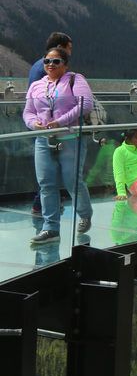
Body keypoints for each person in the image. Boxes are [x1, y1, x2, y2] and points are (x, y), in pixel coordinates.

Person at [22, 47, 94, 244]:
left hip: (71, 140)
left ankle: (85, 214)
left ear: (65, 65)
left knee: (72, 181)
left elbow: (85, 104)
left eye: (56, 61)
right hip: (44, 140)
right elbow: (27, 112)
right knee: (46, 184)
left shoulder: (75, 79)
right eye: (47, 61)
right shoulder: (36, 85)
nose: (50, 65)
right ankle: (51, 228)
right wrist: (33, 124)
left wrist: (61, 122)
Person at [27, 32, 73, 215]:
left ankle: (47, 204)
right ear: (60, 48)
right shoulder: (48, 69)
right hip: (47, 126)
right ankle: (42, 205)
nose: (70, 52)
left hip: (41, 124)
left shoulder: (38, 65)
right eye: (69, 48)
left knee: (47, 168)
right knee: (49, 169)